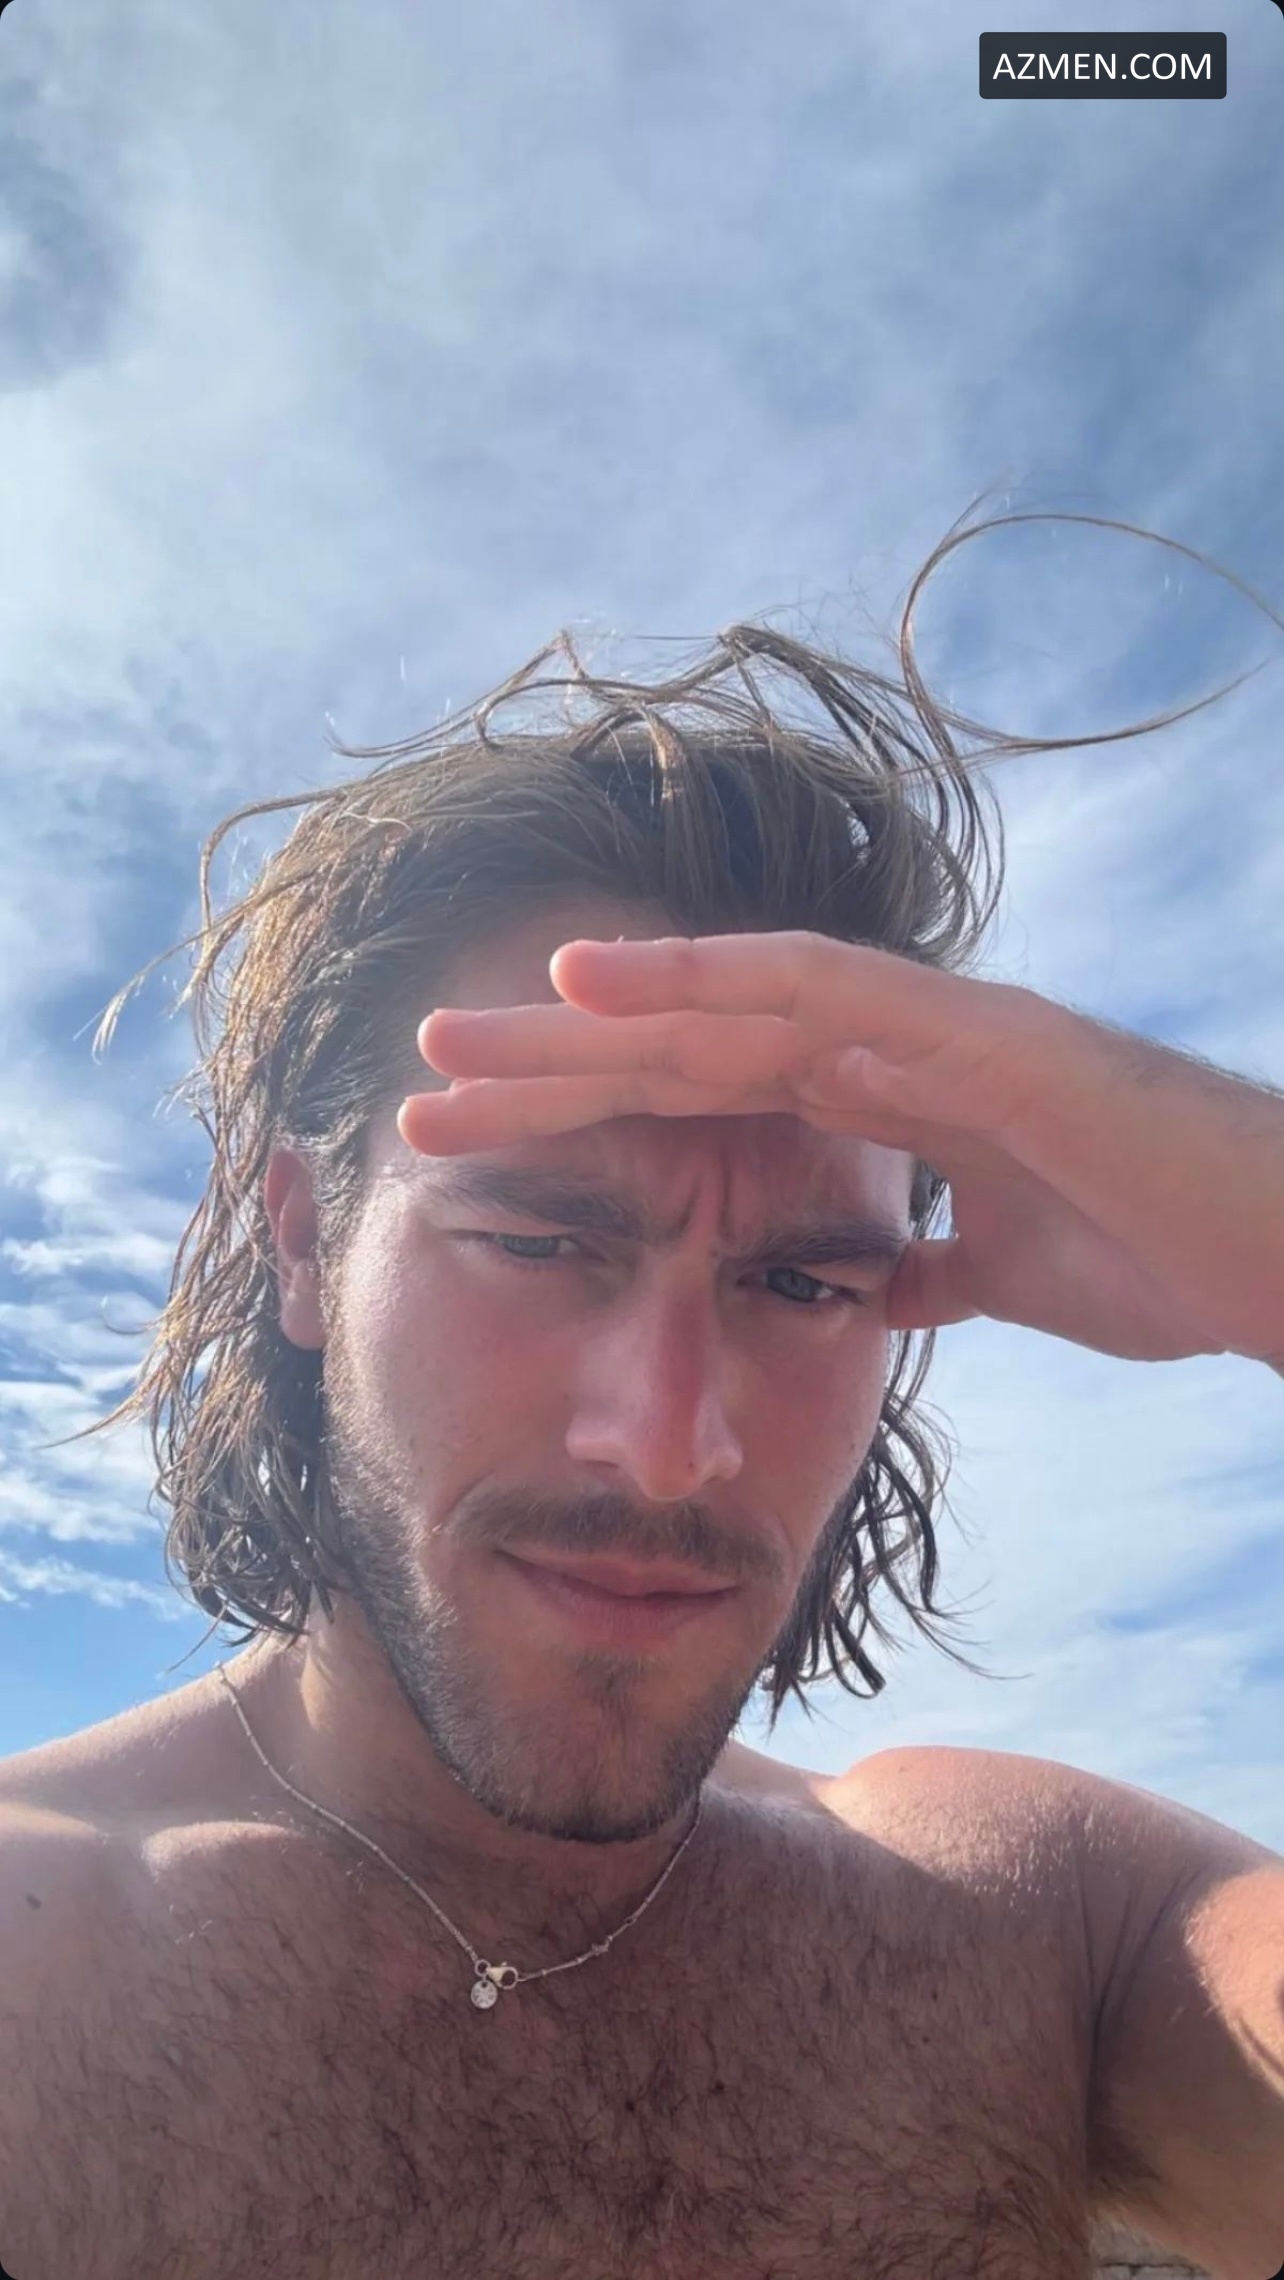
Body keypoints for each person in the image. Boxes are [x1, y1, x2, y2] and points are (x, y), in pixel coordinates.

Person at [1, 523, 1282, 2280]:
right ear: (305, 1241)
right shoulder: (38, 1955)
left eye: (805, 1283)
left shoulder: (1047, 1928)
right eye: (539, 1243)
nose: (674, 1445)